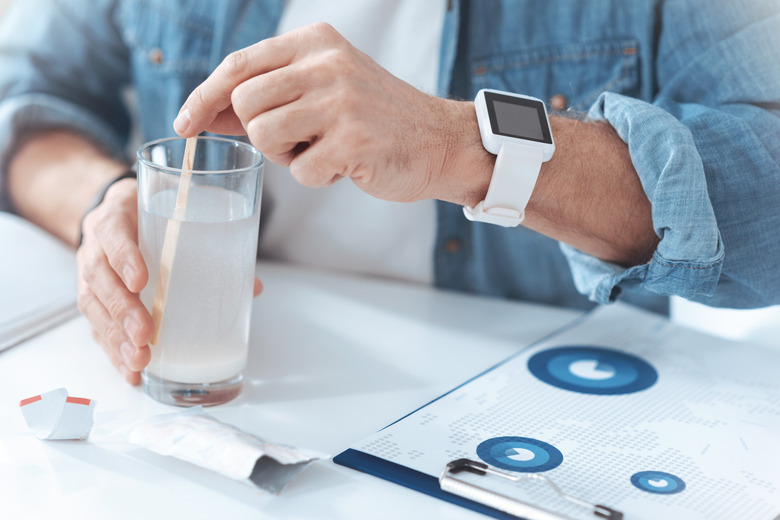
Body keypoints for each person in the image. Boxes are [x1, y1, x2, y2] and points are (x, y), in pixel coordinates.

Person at [1, 0, 779, 384]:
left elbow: (767, 188)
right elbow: (24, 91)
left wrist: (459, 144)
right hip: (243, 396)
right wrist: (104, 200)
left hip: (530, 406)